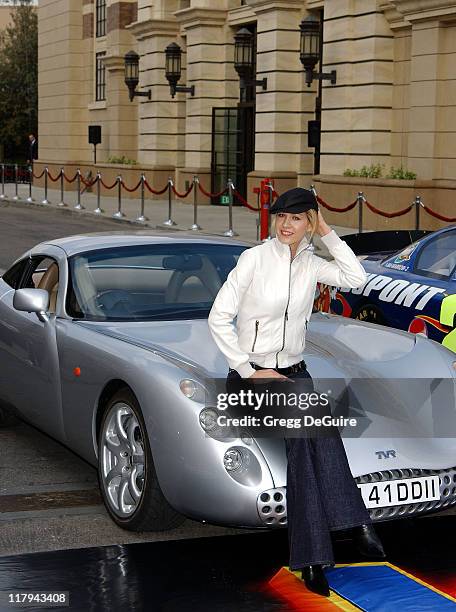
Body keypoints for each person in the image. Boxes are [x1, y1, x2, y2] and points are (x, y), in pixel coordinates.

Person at [208, 187, 386, 597]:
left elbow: (356, 278)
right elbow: (219, 317)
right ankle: (352, 525)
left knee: (312, 439)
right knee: (311, 435)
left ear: (309, 223)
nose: (287, 224)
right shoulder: (253, 259)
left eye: (298, 218)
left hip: (294, 374)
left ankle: (315, 556)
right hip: (252, 378)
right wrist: (248, 369)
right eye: (282, 217)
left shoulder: (310, 262)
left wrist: (328, 233)